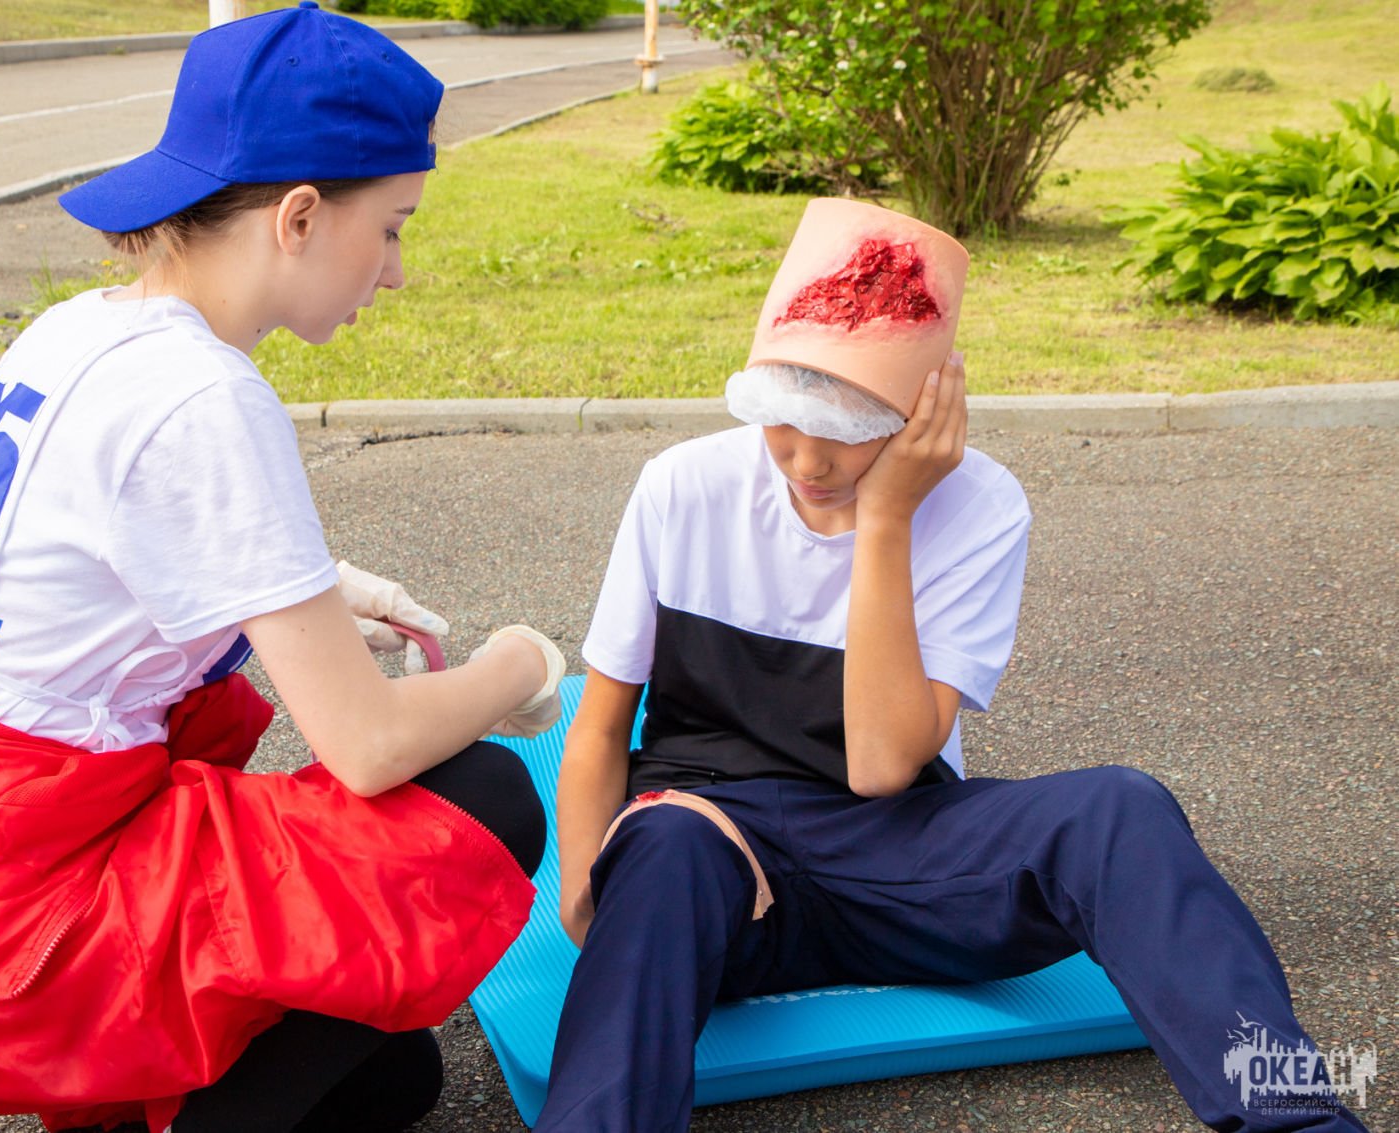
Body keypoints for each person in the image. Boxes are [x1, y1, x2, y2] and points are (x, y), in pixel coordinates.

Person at [0, 7, 561, 1132]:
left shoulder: (81, 328)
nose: (396, 272)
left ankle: (27, 1063)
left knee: (394, 1078)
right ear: (299, 216)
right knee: (483, 800)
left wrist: (315, 586)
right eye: (392, 228)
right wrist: (519, 665)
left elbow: (89, 554)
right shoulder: (206, 394)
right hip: (41, 886)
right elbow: (367, 745)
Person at [536, 198, 1369, 1133]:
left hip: (900, 851)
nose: (807, 460)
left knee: (1119, 808)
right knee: (662, 844)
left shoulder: (981, 506)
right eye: (782, 423)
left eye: (845, 430)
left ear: (921, 410)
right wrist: (587, 895)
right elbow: (601, 726)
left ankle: (1300, 1120)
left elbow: (881, 766)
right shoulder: (683, 485)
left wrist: (887, 517)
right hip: (713, 852)